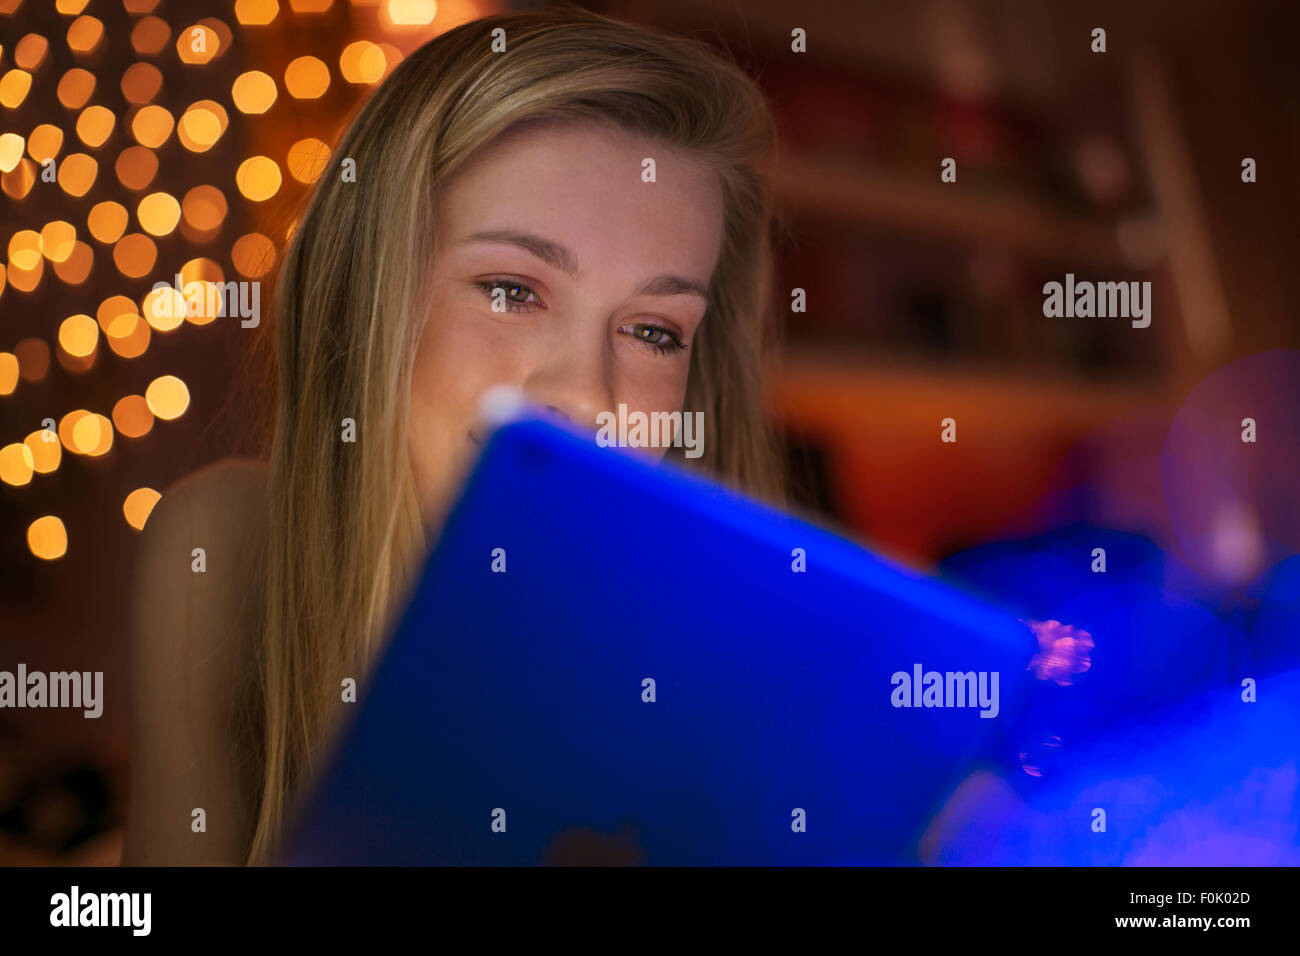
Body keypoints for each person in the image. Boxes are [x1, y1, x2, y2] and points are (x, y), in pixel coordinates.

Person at [122, 7, 785, 866]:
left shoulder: (729, 660)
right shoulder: (226, 551)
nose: (587, 396)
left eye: (655, 331)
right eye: (512, 289)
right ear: (374, 296)